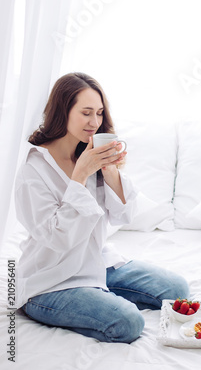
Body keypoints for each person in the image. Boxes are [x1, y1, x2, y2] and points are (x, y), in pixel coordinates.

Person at [15, 72, 189, 343]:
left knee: (177, 289)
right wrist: (79, 176)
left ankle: (98, 296)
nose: (94, 122)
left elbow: (124, 215)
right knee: (129, 322)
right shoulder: (33, 168)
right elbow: (58, 238)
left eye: (98, 113)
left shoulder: (89, 153)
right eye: (86, 113)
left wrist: (110, 172)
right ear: (63, 111)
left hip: (96, 263)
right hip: (51, 280)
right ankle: (77, 305)